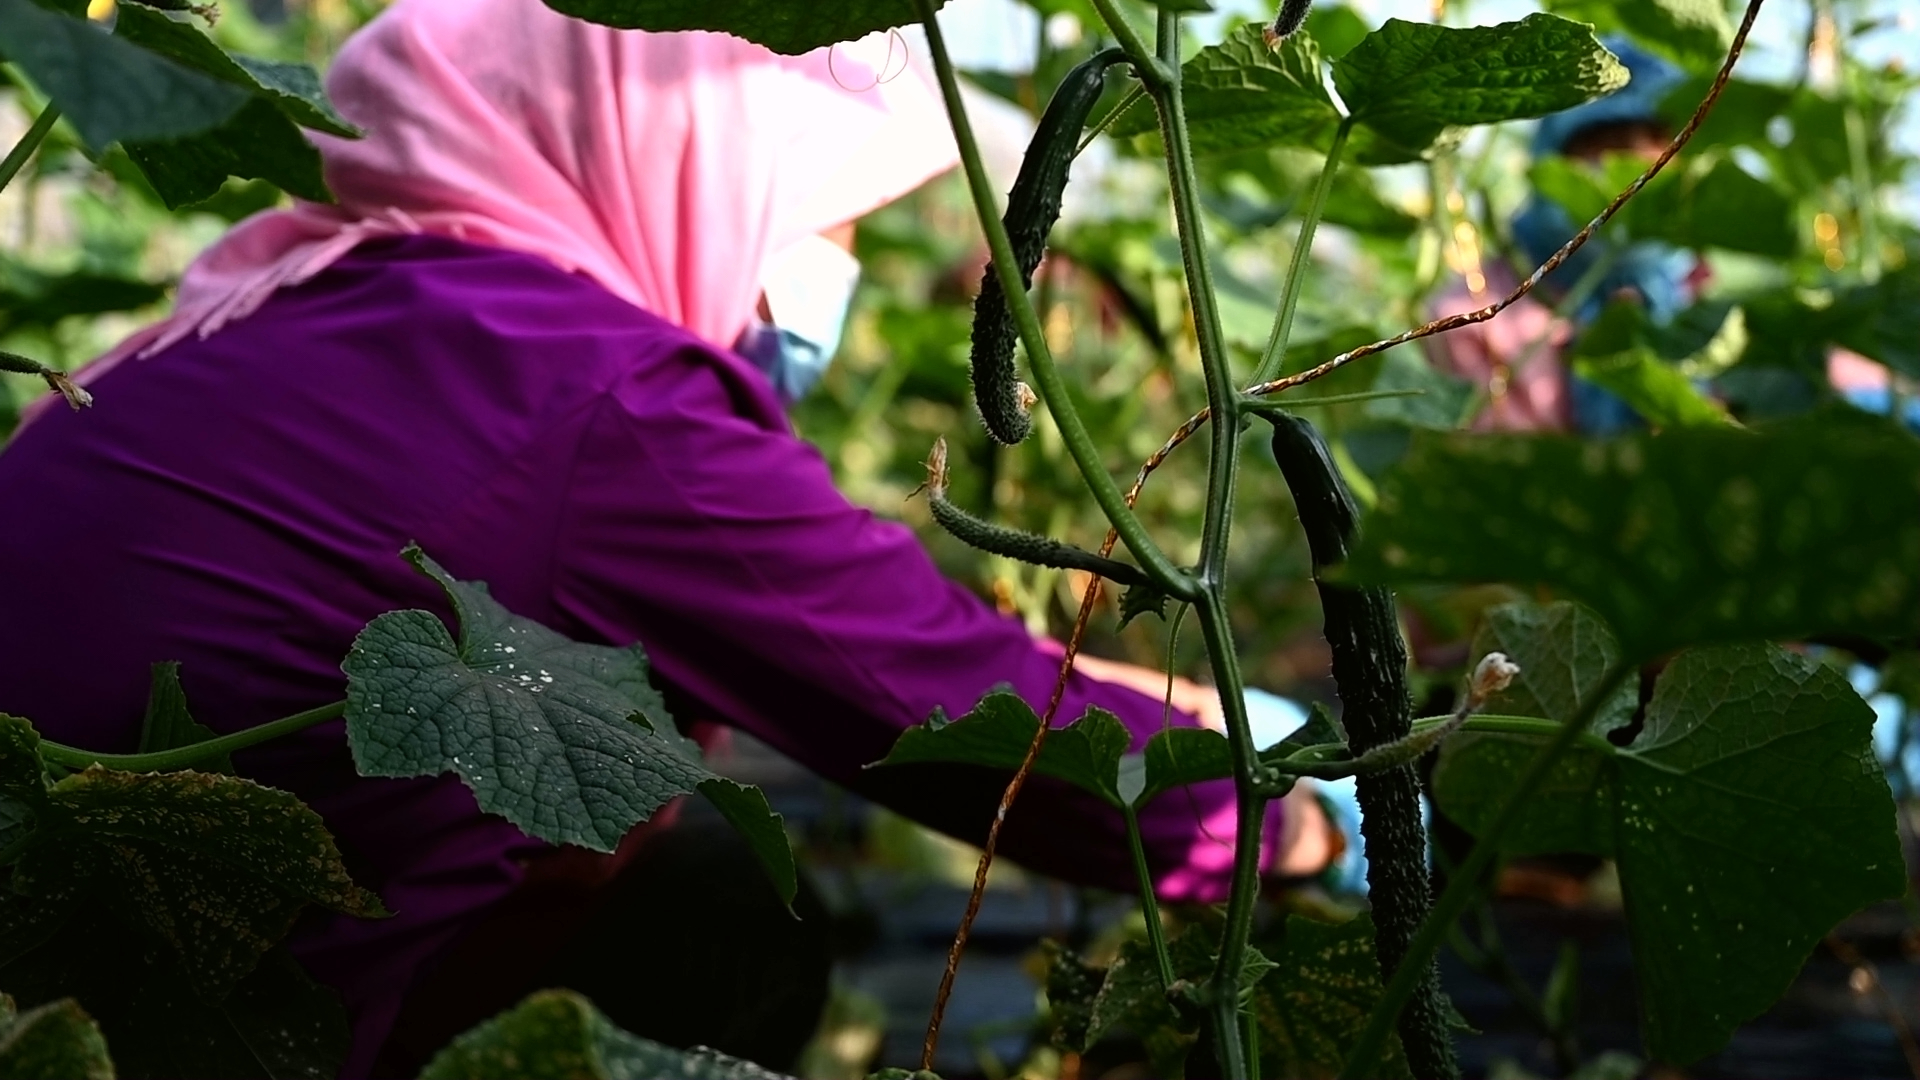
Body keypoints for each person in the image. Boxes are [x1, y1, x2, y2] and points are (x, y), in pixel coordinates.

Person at [0, 2, 1333, 1074]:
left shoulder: (278, 299)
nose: (833, 251)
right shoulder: (597, 393)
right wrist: (1303, 804)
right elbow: (965, 726)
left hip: (58, 979)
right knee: (726, 911)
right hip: (177, 1028)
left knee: (650, 844)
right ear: (682, 163)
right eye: (818, 199)